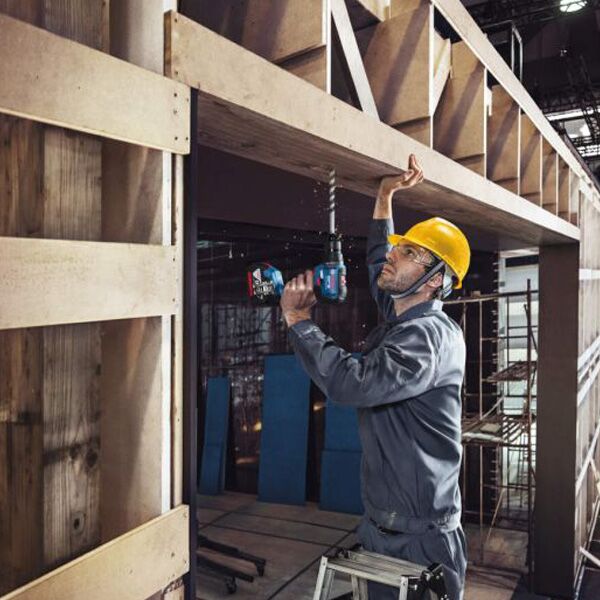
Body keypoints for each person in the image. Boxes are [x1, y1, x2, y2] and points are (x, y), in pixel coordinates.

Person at [280, 154, 470, 599]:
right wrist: (385, 196)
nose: (392, 255)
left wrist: (299, 322)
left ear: (435, 280)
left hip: (421, 541)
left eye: (410, 253)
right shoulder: (403, 318)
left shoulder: (428, 338)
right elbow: (377, 265)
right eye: (399, 247)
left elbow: (354, 384)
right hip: (382, 526)